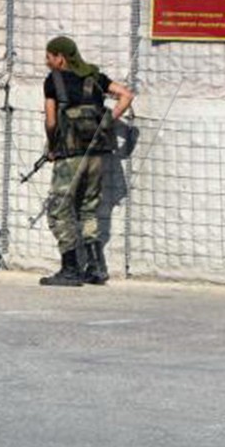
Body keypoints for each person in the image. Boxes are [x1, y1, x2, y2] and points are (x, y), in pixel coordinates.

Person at [38, 35, 133, 288]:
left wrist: (52, 147)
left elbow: (51, 122)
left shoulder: (53, 81)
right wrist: (108, 120)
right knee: (88, 209)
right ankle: (96, 268)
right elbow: (126, 95)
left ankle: (70, 268)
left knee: (58, 209)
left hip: (70, 156)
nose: (47, 62)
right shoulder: (95, 77)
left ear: (60, 57)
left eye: (49, 57)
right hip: (96, 155)